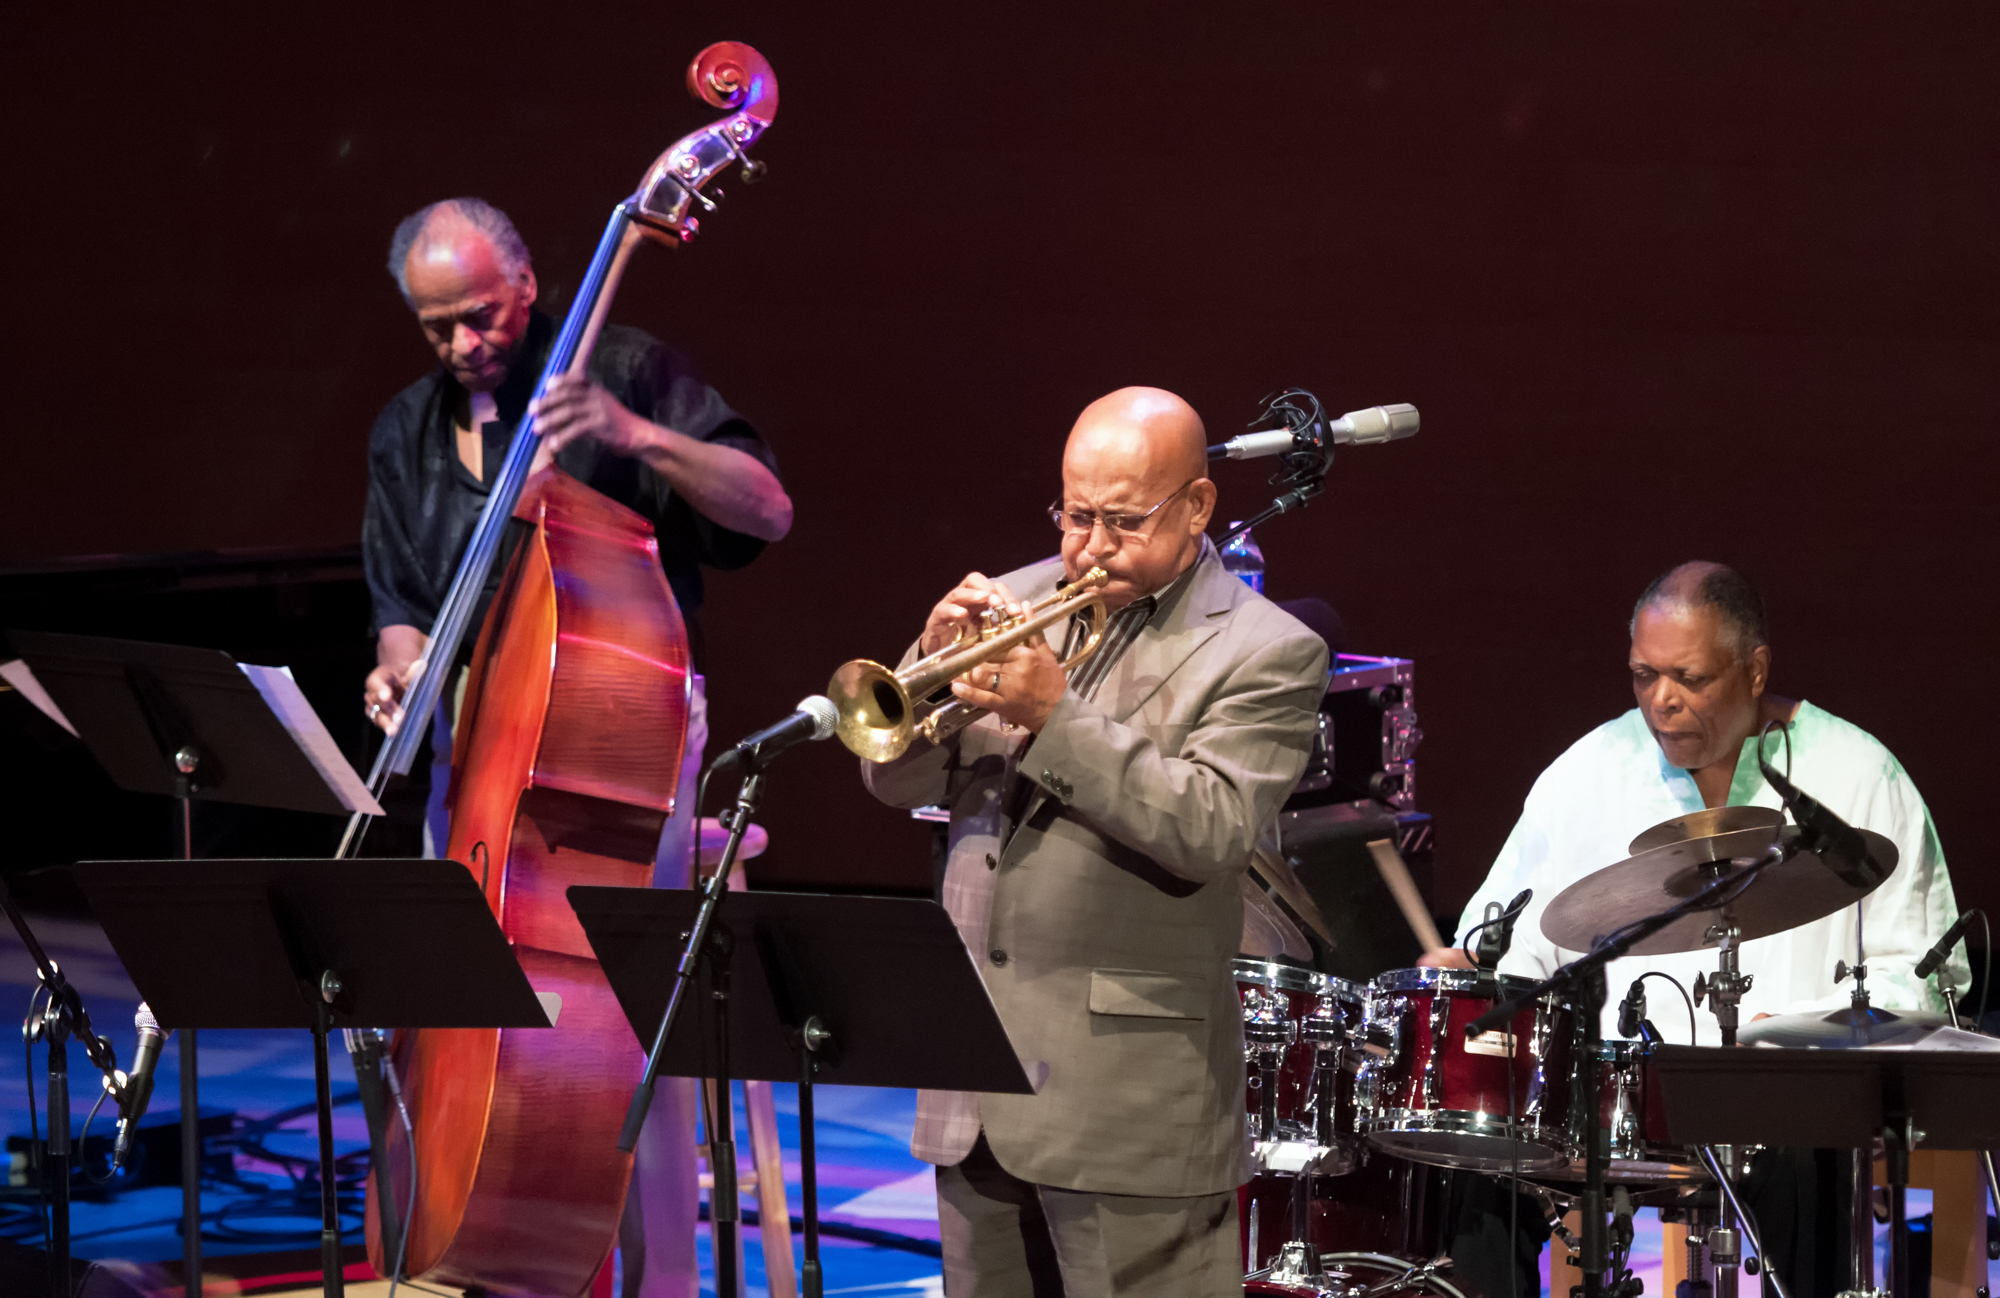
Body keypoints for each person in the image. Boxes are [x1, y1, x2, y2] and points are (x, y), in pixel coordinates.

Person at [359, 197, 791, 1298]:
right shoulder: (405, 428)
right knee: (446, 1004)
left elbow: (767, 510)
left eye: (481, 318)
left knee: (609, 1034)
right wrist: (399, 664)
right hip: (475, 766)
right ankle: (460, 1251)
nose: (464, 345)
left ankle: (641, 1281)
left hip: (617, 754)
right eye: (437, 326)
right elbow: (403, 603)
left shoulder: (629, 368)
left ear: (528, 287)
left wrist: (635, 433)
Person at [861, 386, 1328, 1297]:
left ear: (1197, 507)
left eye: (1123, 520)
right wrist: (922, 672)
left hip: (1129, 1102)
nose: (1090, 548)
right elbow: (896, 782)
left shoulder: (1270, 651)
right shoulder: (1018, 596)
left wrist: (1054, 719)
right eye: (1076, 516)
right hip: (972, 1074)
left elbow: (1211, 827)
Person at [1420, 561, 1967, 1297]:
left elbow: (1925, 976)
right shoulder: (1589, 772)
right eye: (1643, 675)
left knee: (1805, 1157)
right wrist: (1463, 968)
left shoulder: (1859, 776)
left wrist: (1818, 1038)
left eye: (1690, 678)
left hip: (1786, 1102)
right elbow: (1512, 948)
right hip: (1619, 1098)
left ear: (1755, 669)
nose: (1661, 701)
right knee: (1480, 1151)